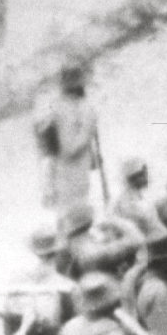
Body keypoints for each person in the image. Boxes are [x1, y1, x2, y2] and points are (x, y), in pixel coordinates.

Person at [35, 63, 100, 228]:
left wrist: (92, 155)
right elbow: (69, 148)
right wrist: (87, 131)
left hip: (77, 172)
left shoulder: (79, 106)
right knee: (69, 216)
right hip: (66, 173)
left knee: (75, 213)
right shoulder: (60, 109)